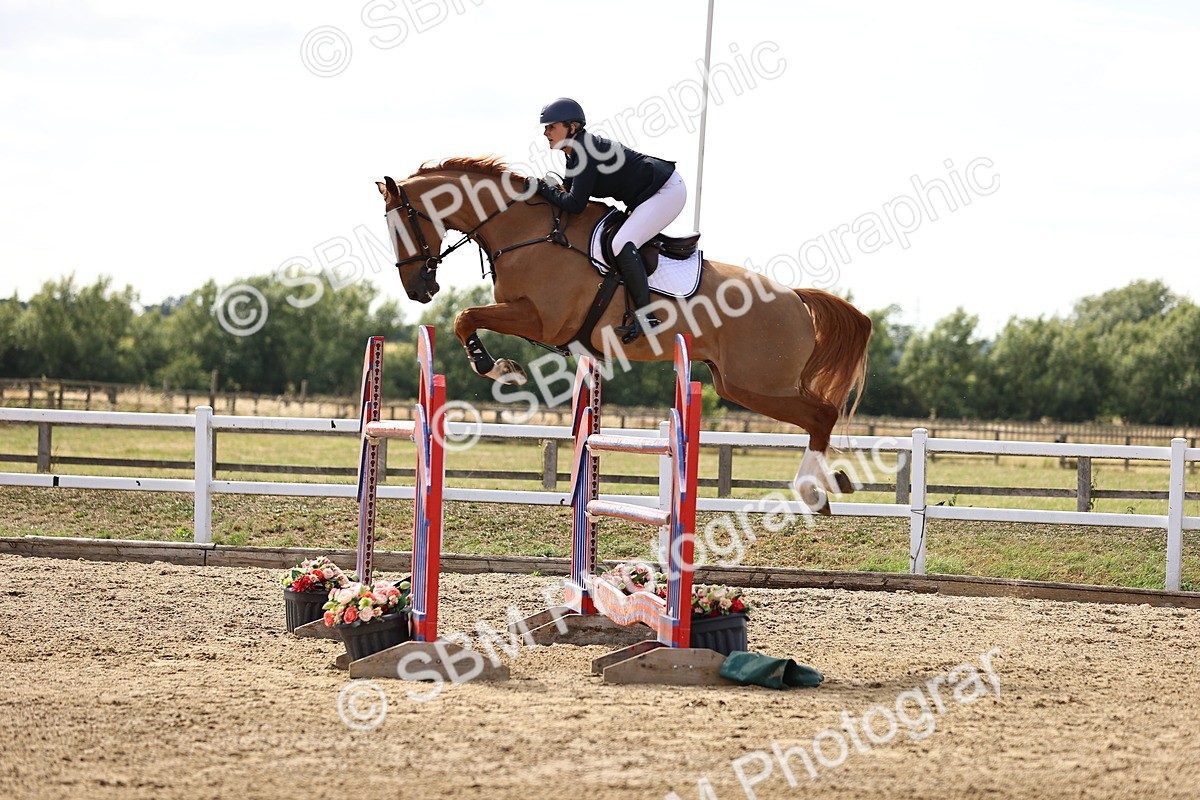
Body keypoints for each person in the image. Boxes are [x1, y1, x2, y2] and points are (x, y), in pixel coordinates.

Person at [535, 97, 687, 343]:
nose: (545, 132)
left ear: (572, 128)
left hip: (666, 191)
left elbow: (575, 204)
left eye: (551, 127)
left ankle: (646, 318)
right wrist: (547, 190)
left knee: (621, 242)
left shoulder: (584, 151)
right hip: (648, 195)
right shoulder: (574, 153)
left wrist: (541, 188)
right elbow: (568, 193)